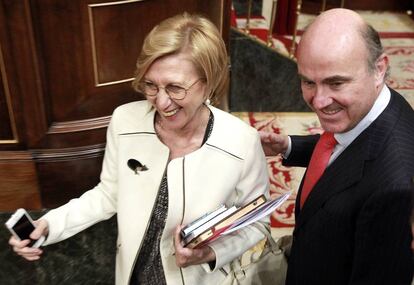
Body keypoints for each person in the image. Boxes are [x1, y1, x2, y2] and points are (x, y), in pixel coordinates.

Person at [9, 13, 270, 285]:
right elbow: (108, 194)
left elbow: (257, 222)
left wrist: (208, 253)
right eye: (150, 85)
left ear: (209, 83)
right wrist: (49, 225)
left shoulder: (242, 142)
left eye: (176, 88)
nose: (161, 102)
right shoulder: (124, 121)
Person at [260, 8, 414, 285]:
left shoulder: (394, 190)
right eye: (308, 81)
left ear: (379, 69)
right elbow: (348, 151)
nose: (318, 101)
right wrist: (290, 146)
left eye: (336, 83)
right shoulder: (381, 106)